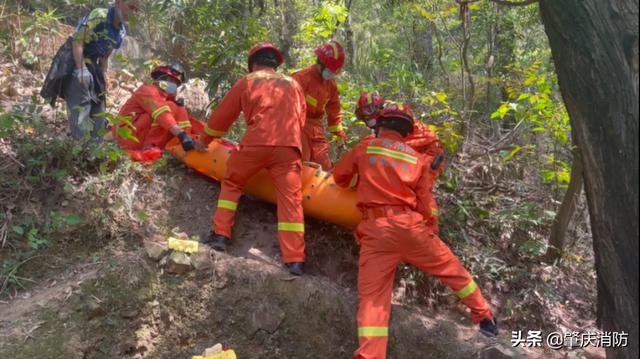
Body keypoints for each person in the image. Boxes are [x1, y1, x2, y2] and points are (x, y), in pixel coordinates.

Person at [333, 102, 498, 359]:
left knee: (373, 300)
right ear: (407, 131)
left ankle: (370, 356)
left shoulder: (365, 147)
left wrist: (362, 181)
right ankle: (485, 317)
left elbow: (339, 177)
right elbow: (425, 203)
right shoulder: (417, 159)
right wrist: (430, 229)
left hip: (376, 232)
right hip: (410, 227)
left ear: (381, 124)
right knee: (452, 270)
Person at [199, 43, 308, 276]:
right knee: (291, 201)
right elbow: (301, 120)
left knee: (233, 181)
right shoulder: (294, 84)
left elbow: (222, 118)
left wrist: (204, 140)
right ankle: (295, 260)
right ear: (275, 64)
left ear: (253, 64)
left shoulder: (248, 81)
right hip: (288, 148)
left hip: (256, 143)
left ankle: (220, 235)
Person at [41, 0, 139, 141]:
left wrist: (103, 75)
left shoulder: (121, 32)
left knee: (99, 109)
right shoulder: (100, 15)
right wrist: (81, 69)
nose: (133, 12)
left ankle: (94, 150)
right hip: (74, 58)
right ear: (118, 3)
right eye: (130, 7)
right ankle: (79, 148)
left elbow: (104, 58)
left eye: (136, 10)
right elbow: (77, 41)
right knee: (81, 102)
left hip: (93, 65)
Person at [355, 91, 446, 233]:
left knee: (422, 189)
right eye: (364, 115)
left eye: (368, 112)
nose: (367, 118)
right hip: (412, 148)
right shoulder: (385, 117)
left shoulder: (392, 114)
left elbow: (394, 141)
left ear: (376, 107)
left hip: (428, 151)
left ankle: (430, 229)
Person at [112, 63, 204, 162]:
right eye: (171, 81)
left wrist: (205, 134)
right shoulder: (147, 90)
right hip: (127, 137)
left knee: (180, 110)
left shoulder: (166, 100)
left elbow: (188, 120)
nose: (173, 86)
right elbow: (161, 113)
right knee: (170, 109)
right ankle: (149, 149)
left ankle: (186, 147)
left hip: (137, 134)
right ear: (161, 79)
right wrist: (182, 135)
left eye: (175, 83)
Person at [292, 40, 347, 170]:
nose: (331, 74)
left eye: (334, 71)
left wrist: (339, 133)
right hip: (299, 124)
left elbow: (334, 109)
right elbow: (286, 105)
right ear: (320, 63)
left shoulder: (330, 85)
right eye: (330, 70)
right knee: (302, 161)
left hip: (316, 127)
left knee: (324, 164)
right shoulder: (301, 78)